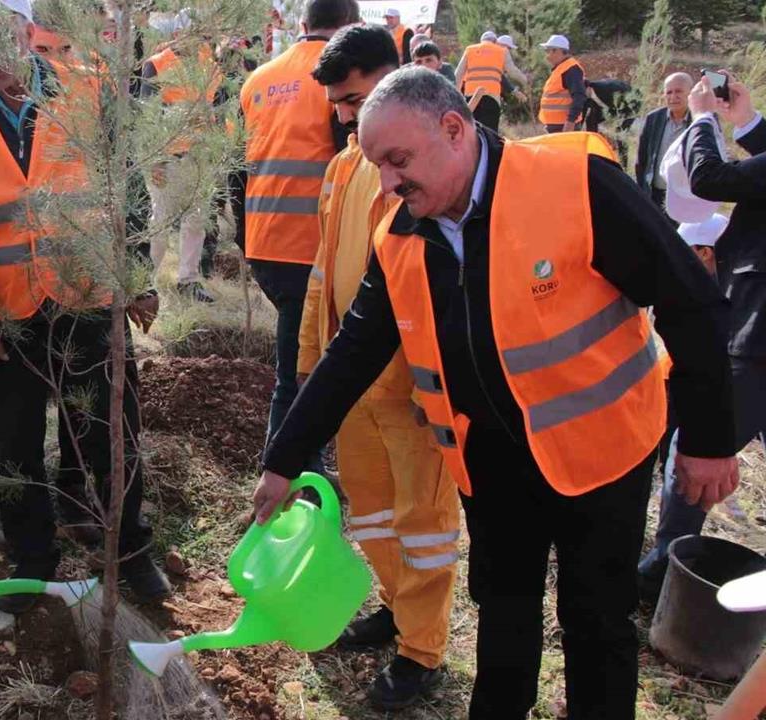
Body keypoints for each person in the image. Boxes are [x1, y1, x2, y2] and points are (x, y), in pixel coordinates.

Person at [254, 67, 738, 719]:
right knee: (504, 620)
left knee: (596, 624)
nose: (388, 183)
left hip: (602, 458)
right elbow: (354, 352)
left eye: (399, 161)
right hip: (493, 469)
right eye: (378, 165)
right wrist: (284, 460)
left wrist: (708, 441)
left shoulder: (573, 185)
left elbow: (689, 300)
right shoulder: (400, 236)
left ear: (454, 129)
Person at [0, 0, 169, 614]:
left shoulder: (88, 91)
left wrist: (137, 276)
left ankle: (131, 552)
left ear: (26, 32)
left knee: (112, 431)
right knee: (14, 439)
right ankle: (31, 558)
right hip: (11, 310)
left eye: (2, 36)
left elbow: (129, 189)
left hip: (91, 296)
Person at [301, 26, 459, 710]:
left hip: (413, 387)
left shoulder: (428, 166)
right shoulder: (342, 168)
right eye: (338, 105)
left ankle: (422, 652)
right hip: (356, 383)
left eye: (354, 97)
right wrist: (313, 363)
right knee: (370, 513)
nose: (345, 115)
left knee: (422, 523)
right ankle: (397, 610)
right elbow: (322, 274)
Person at [237, 0, 358, 470]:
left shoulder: (258, 79)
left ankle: (303, 463)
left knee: (303, 361)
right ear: (351, 25)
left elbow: (235, 170)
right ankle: (290, 472)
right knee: (299, 371)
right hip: (312, 246)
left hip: (265, 240)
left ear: (303, 25)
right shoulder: (341, 75)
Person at [636, 212, 727, 602]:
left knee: (681, 472)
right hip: (667, 382)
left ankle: (661, 567)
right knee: (659, 467)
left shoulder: (733, 293)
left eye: (686, 253)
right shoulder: (700, 286)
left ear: (705, 253)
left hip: (695, 392)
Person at [141, 24, 222, 303]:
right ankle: (145, 282)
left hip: (200, 155)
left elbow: (217, 107)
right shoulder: (158, 65)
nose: (198, 40)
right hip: (166, 157)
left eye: (202, 35)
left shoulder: (208, 62)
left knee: (196, 220)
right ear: (177, 33)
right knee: (160, 221)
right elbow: (148, 117)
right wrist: (155, 160)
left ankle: (187, 279)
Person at [636, 72, 694, 211]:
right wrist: (641, 190)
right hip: (654, 194)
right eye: (669, 92)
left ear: (690, 93)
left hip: (685, 197)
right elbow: (642, 158)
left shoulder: (699, 121)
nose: (673, 97)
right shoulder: (654, 119)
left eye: (679, 91)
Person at [456, 31, 527, 132]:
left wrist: (457, 96)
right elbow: (512, 71)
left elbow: (458, 75)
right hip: (491, 97)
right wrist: (525, 80)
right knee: (490, 131)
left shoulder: (470, 50)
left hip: (470, 97)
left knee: (471, 130)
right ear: (495, 41)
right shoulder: (501, 51)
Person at [538, 34, 587, 133]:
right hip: (557, 127)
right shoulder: (561, 68)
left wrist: (570, 123)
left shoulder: (571, 69)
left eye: (548, 51)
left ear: (557, 51)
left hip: (564, 127)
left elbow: (579, 96)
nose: (547, 56)